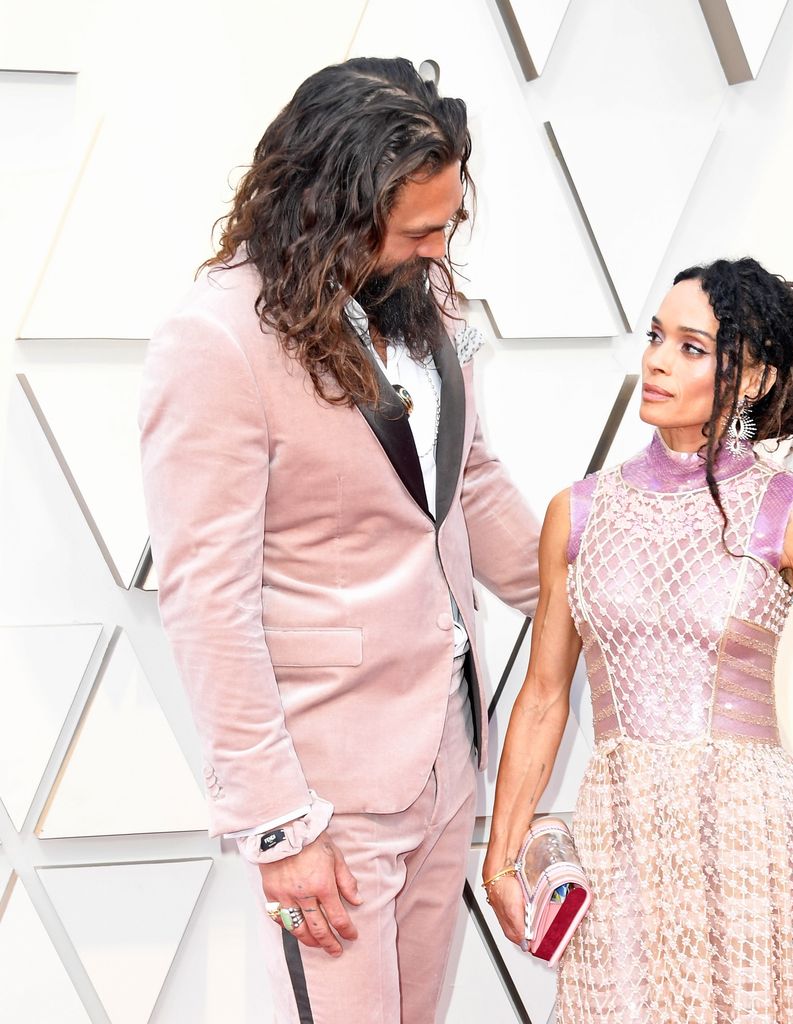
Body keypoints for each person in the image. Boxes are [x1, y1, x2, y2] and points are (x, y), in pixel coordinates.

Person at [138, 58, 540, 1024]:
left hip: (448, 752)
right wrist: (281, 827)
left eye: (448, 225)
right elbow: (207, 598)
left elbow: (466, 481)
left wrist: (590, 597)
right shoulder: (218, 341)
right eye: (418, 231)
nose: (440, 252)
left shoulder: (420, 304)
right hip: (330, 788)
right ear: (331, 209)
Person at [483, 258, 793, 1022]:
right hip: (619, 836)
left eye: (691, 347)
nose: (657, 360)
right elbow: (543, 696)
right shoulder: (576, 513)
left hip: (752, 845)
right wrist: (503, 853)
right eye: (655, 337)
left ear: (755, 379)